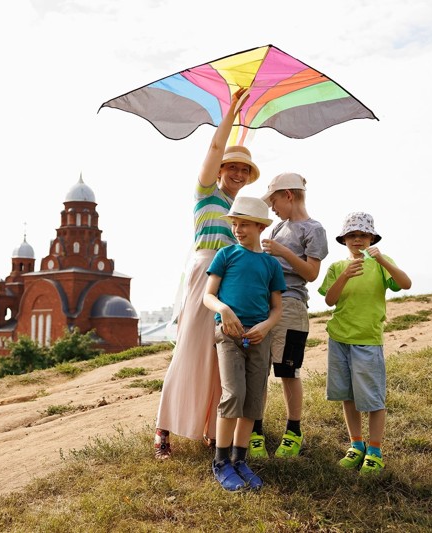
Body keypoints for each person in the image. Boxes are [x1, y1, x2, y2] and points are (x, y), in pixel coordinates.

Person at [154, 88, 260, 459]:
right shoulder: (205, 193)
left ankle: (211, 429)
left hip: (230, 277)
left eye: (244, 169)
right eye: (232, 166)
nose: (237, 172)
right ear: (220, 170)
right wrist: (230, 114)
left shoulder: (238, 208)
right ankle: (163, 429)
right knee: (189, 348)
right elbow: (215, 150)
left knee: (221, 354)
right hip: (204, 273)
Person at [318, 212, 412, 475]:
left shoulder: (381, 263)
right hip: (339, 338)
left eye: (362, 235)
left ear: (371, 237)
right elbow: (329, 300)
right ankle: (356, 444)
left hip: (367, 341)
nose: (357, 239)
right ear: (344, 239)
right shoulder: (338, 267)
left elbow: (405, 284)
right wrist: (345, 275)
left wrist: (382, 259)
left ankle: (375, 449)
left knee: (372, 397)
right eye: (352, 235)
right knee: (347, 395)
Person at [203, 196, 286, 491]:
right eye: (235, 223)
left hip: (259, 338)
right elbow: (208, 296)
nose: (238, 229)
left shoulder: (270, 264)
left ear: (261, 226)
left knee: (254, 401)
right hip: (228, 335)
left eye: (245, 224)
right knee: (234, 394)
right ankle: (221, 461)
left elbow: (277, 308)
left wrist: (265, 327)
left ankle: (240, 460)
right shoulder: (225, 255)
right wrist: (223, 310)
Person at [249, 172, 328, 459]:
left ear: (289, 195)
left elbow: (311, 273)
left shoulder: (313, 229)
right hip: (264, 305)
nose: (271, 207)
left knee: (287, 370)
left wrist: (282, 251)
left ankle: (293, 430)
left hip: (293, 305)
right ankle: (255, 430)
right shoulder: (277, 227)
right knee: (258, 370)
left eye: (274, 200)